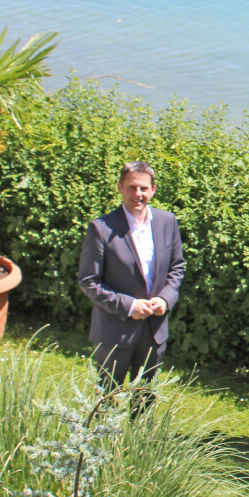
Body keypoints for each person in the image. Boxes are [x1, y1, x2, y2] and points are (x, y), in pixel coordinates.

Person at [78, 160, 185, 408]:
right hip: (115, 331)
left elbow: (177, 267)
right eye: (132, 187)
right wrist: (129, 305)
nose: (138, 194)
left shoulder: (167, 222)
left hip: (154, 330)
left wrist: (166, 298)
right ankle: (105, 445)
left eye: (144, 188)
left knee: (145, 400)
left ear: (153, 190)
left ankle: (140, 446)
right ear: (120, 188)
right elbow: (88, 280)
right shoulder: (101, 228)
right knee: (106, 401)